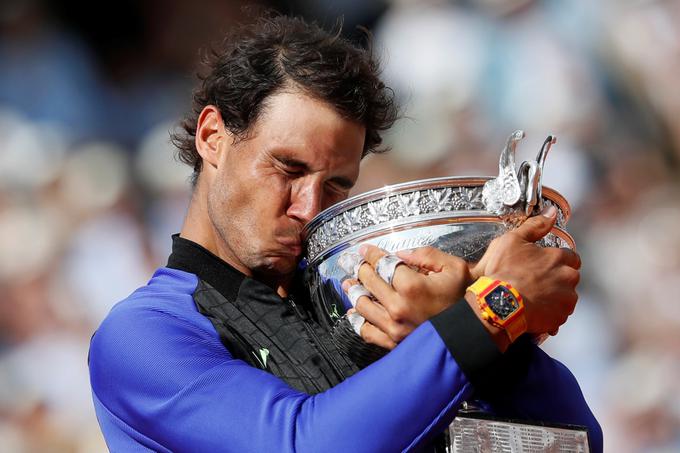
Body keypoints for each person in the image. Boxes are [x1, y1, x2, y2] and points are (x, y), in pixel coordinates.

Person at [88, 15, 602, 452]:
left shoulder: (368, 307)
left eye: (336, 184)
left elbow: (571, 443)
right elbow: (306, 445)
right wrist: (492, 309)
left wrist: (498, 348)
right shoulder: (142, 336)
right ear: (212, 137)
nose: (309, 207)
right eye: (287, 169)